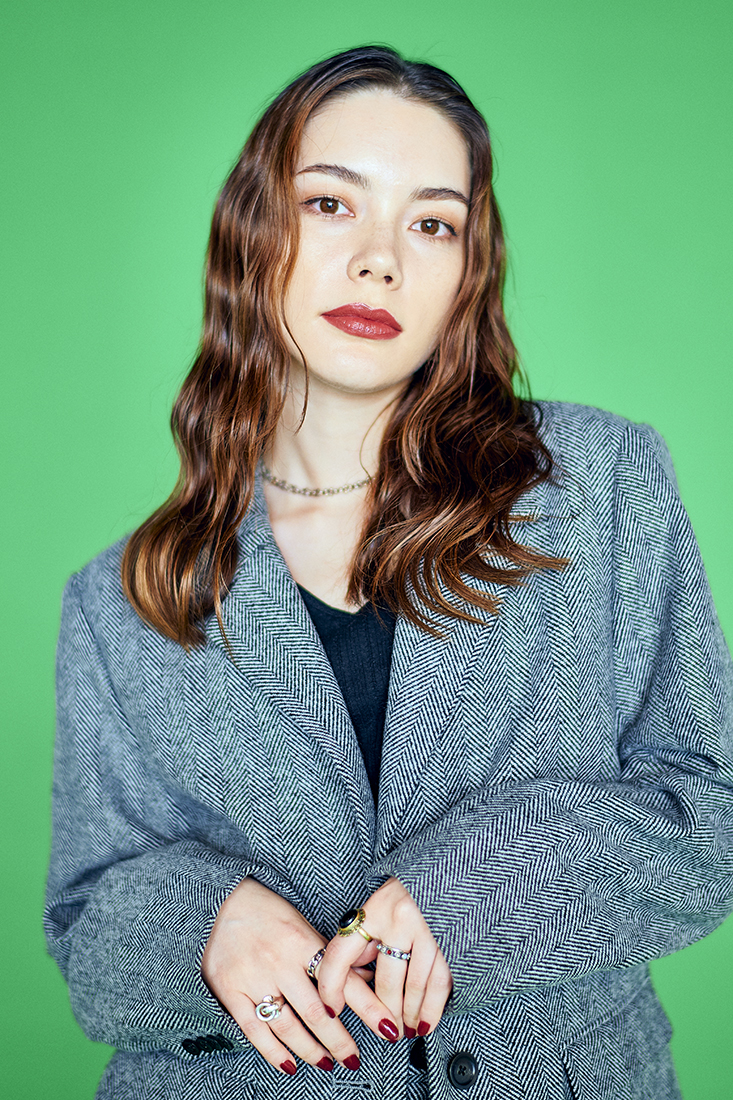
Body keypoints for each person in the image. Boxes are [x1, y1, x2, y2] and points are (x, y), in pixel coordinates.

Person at [45, 45, 733, 1100]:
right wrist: (202, 925)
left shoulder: (600, 483)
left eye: (431, 224)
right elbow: (87, 930)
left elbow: (709, 814)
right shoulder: (122, 598)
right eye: (330, 204)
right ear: (253, 233)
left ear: (467, 270)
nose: (379, 263)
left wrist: (473, 893)